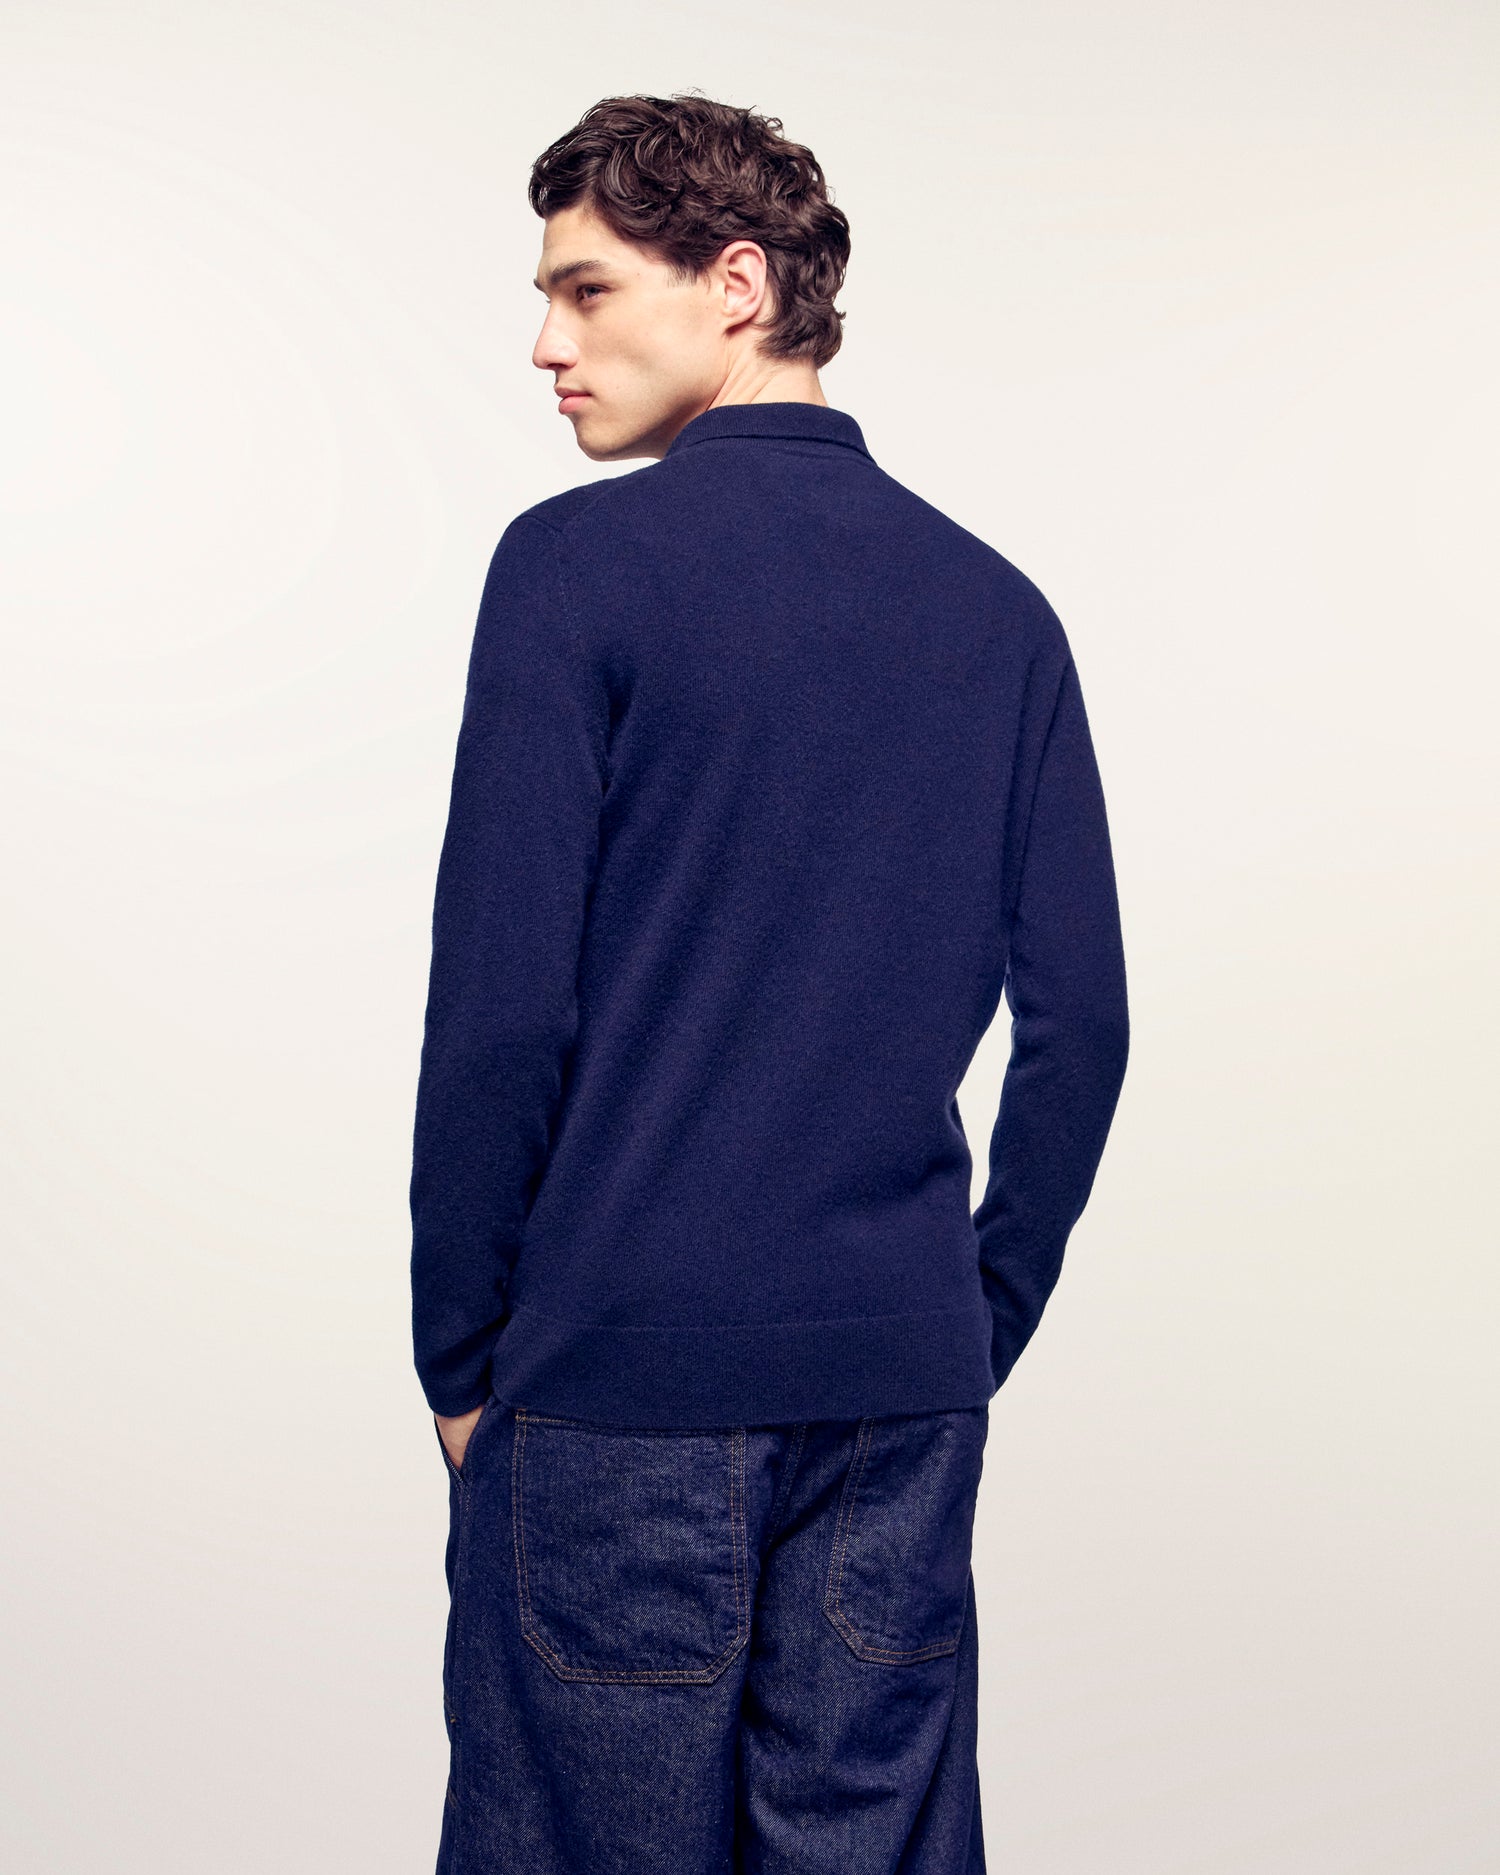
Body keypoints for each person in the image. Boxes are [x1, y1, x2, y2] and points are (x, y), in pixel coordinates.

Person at [409, 91, 1129, 1875]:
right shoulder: (1000, 611)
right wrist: (964, 1324)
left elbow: (501, 1012)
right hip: (895, 1394)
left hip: (612, 1388)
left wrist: (460, 1356)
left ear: (737, 285)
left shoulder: (573, 569)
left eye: (585, 290)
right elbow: (1085, 1028)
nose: (546, 343)